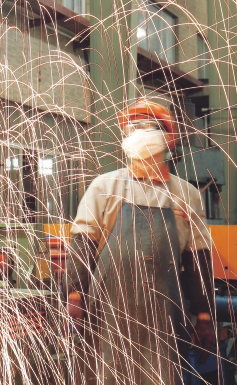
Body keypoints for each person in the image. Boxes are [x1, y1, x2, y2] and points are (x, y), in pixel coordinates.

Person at [66, 99, 216, 385]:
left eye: (152, 126)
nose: (142, 132)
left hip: (163, 318)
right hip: (108, 313)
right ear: (125, 136)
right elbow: (83, 245)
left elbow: (197, 260)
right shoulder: (104, 187)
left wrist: (204, 315)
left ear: (169, 138)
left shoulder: (187, 195)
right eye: (134, 126)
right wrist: (75, 296)